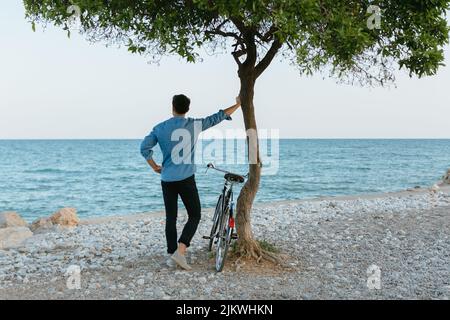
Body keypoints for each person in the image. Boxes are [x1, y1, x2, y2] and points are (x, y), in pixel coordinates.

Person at [140, 94, 241, 270]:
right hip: (186, 179)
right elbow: (218, 117)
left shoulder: (160, 128)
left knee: (170, 218)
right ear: (187, 109)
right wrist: (238, 104)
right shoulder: (194, 125)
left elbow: (144, 148)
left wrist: (154, 166)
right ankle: (181, 251)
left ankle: (173, 255)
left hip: (167, 179)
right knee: (195, 215)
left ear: (172, 107)